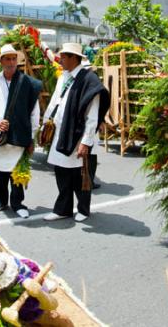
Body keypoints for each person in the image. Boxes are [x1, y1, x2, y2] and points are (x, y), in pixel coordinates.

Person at [43, 43, 110, 222]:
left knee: (80, 175)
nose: (61, 60)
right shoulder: (63, 77)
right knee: (62, 172)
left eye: (63, 56)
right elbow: (55, 102)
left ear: (73, 58)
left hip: (78, 135)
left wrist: (86, 142)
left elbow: (92, 116)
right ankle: (63, 210)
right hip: (61, 133)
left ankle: (83, 209)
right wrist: (45, 123)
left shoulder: (89, 80)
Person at [0, 44, 42, 219]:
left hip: (19, 134)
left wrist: (32, 137)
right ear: (1, 61)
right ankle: (0, 201)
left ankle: (17, 203)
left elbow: (34, 112)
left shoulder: (27, 83)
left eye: (14, 58)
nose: (11, 62)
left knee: (17, 170)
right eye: (7, 58)